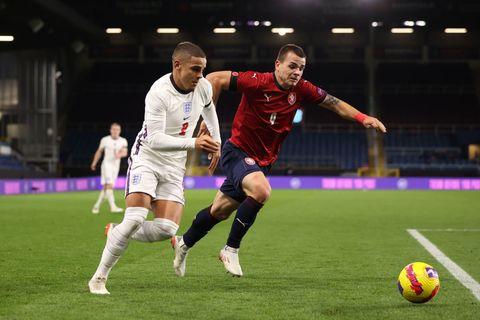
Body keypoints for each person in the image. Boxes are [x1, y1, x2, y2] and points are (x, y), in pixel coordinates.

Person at [172, 44, 387, 277]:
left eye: (301, 68)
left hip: (263, 161)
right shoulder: (257, 81)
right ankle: (230, 249)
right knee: (261, 191)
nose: (297, 72)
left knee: (219, 211)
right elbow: (214, 78)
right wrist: (207, 117)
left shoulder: (303, 89)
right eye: (292, 66)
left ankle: (184, 243)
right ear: (278, 64)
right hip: (238, 152)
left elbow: (333, 103)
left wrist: (363, 117)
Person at [88, 42, 221, 294]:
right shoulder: (158, 93)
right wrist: (194, 142)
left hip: (174, 165)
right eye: (195, 69)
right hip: (147, 159)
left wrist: (217, 141)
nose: (200, 76)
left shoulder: (203, 87)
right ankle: (98, 278)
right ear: (177, 65)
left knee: (166, 229)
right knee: (135, 218)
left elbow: (209, 110)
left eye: (203, 70)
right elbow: (153, 139)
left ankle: (116, 232)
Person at [90, 122, 128, 214]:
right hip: (107, 165)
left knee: (106, 187)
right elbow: (99, 152)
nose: (115, 131)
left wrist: (119, 154)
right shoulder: (105, 140)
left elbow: (125, 152)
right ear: (110, 130)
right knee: (109, 185)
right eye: (113, 129)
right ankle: (113, 207)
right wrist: (94, 162)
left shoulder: (123, 140)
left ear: (120, 131)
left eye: (117, 129)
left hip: (116, 166)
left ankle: (96, 206)